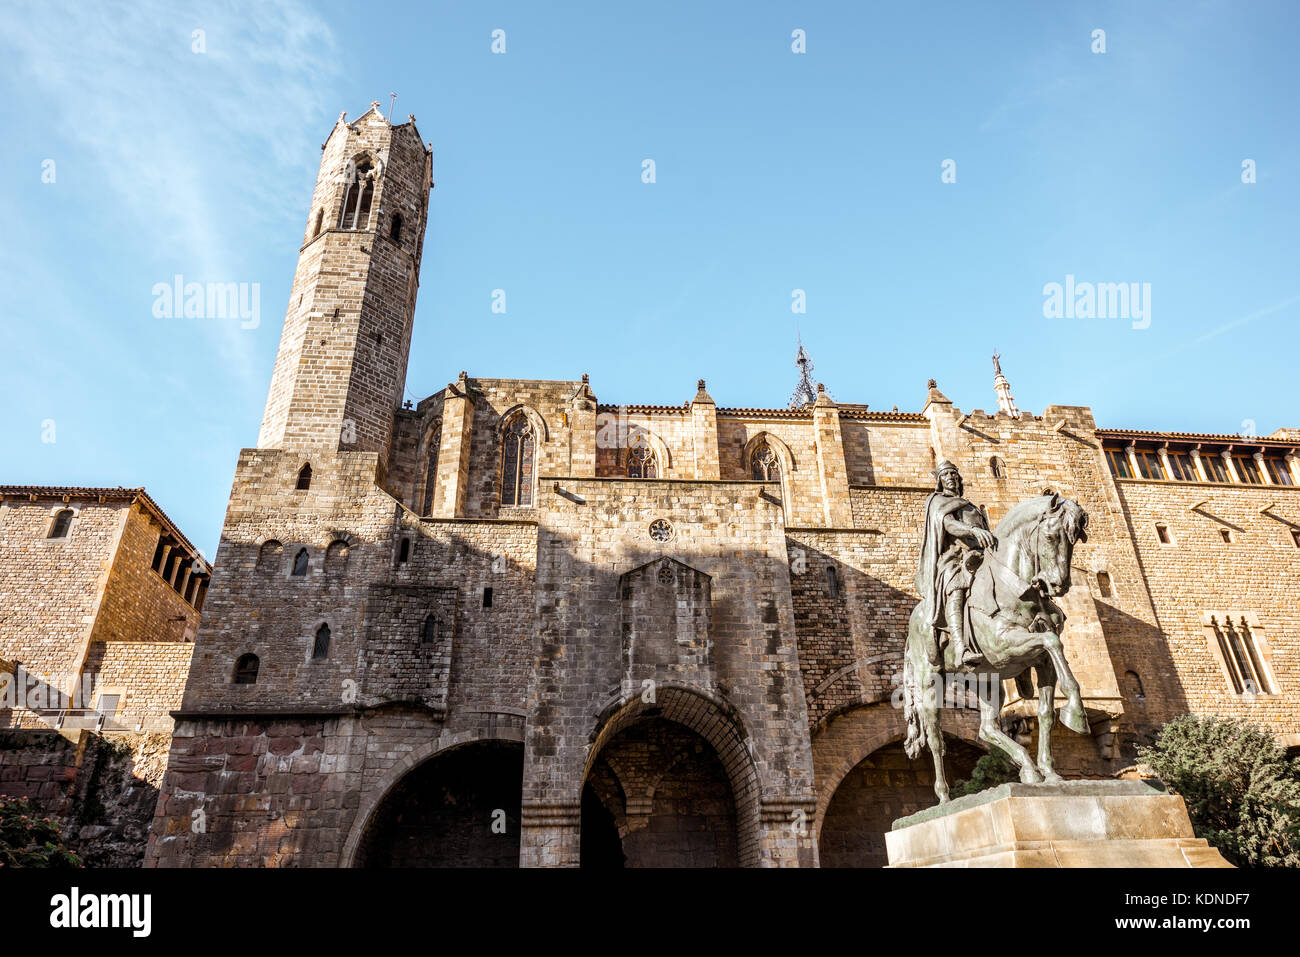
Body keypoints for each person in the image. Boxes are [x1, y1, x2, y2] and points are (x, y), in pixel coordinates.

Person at [914, 460, 996, 666]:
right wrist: (973, 531)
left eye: (953, 474)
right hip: (954, 559)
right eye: (946, 475)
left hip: (980, 556)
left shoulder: (971, 506)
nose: (951, 478)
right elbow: (949, 524)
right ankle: (961, 648)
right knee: (956, 586)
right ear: (940, 481)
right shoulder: (937, 501)